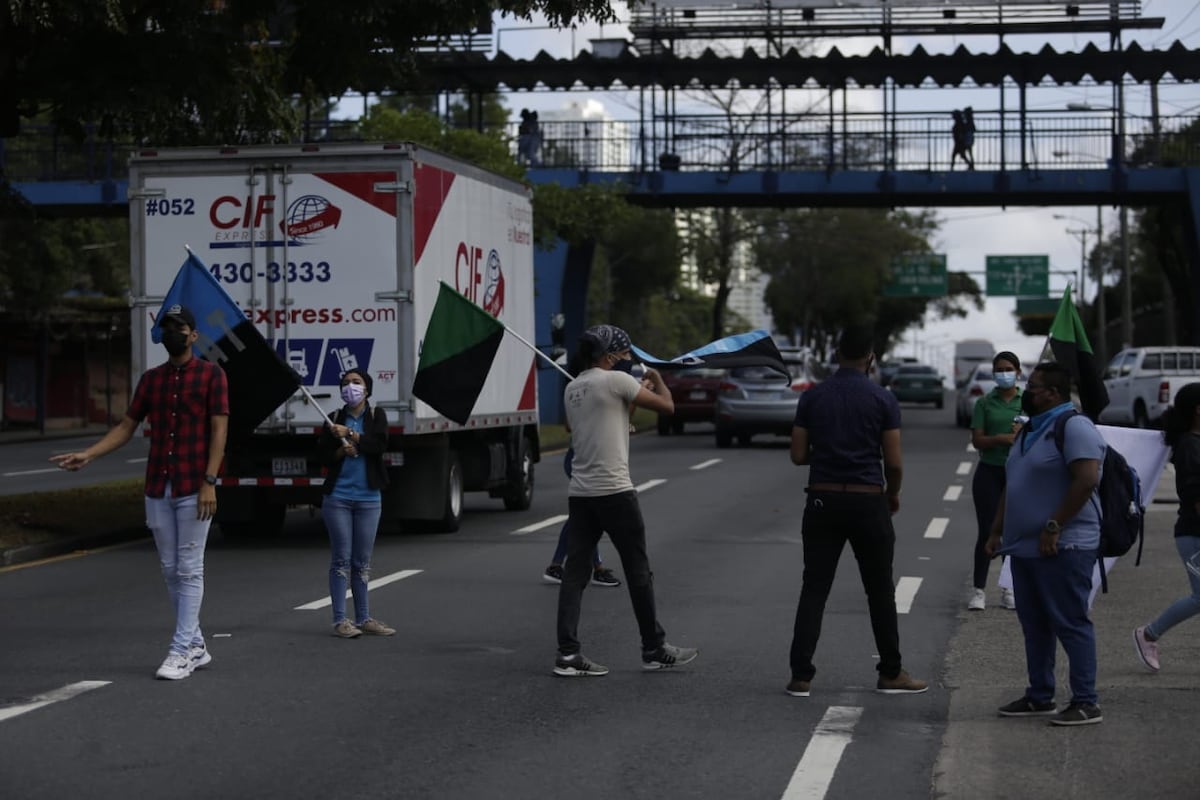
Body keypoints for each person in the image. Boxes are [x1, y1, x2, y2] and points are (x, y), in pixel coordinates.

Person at [52, 304, 229, 681]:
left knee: (189, 568)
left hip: (193, 485)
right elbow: (126, 427)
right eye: (167, 328)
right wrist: (88, 454)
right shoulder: (152, 380)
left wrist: (209, 482)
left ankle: (180, 650)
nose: (172, 333)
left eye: (179, 328)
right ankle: (196, 644)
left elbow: (219, 432)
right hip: (158, 485)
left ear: (194, 336)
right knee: (169, 569)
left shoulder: (212, 376)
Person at [786, 326, 928, 697]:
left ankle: (801, 675)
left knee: (814, 587)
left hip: (822, 499)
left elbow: (799, 455)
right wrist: (892, 494)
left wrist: (830, 454)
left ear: (835, 355)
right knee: (880, 589)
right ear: (871, 358)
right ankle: (891, 672)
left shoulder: (813, 398)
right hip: (868, 500)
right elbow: (893, 463)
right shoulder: (882, 399)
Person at [554, 324, 697, 677]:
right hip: (615, 492)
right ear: (609, 356)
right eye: (624, 355)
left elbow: (585, 426)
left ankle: (568, 654)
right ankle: (654, 647)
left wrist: (634, 394)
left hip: (581, 494)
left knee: (575, 574)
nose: (627, 360)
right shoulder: (616, 382)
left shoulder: (572, 388)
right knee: (638, 571)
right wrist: (656, 380)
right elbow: (667, 407)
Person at [986, 362, 1105, 726]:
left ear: (1053, 393)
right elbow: (1014, 481)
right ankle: (1041, 696)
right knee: (1034, 624)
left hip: (1064, 546)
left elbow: (1086, 480)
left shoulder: (1074, 426)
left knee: (1070, 622)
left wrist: (1054, 525)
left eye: (1032, 386)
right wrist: (996, 530)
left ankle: (1086, 701)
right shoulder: (1030, 430)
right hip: (1025, 547)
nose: (1025, 390)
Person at [318, 368, 395, 638]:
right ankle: (340, 620)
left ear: (367, 389)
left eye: (356, 382)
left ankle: (364, 618)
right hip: (337, 498)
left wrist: (351, 435)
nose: (351, 387)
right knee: (341, 559)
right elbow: (323, 456)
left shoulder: (376, 417)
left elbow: (379, 446)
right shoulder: (333, 419)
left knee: (361, 562)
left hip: (369, 498)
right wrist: (340, 450)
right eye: (346, 383)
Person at [1133, 382, 1200, 672]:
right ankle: (1148, 634)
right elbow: (1195, 496)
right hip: (1194, 534)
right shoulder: (1189, 446)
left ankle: (1149, 634)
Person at [967, 351, 1024, 611]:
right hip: (989, 472)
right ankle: (979, 590)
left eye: (1009, 369)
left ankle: (1009, 588)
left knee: (1012, 531)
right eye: (999, 369)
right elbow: (977, 440)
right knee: (988, 531)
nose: (1004, 374)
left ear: (1018, 372)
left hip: (1017, 474)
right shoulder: (984, 404)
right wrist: (1001, 439)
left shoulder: (1028, 402)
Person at [542, 447, 621, 588]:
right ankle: (596, 569)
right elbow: (570, 427)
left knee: (587, 513)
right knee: (587, 512)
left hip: (592, 460)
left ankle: (561, 566)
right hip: (581, 459)